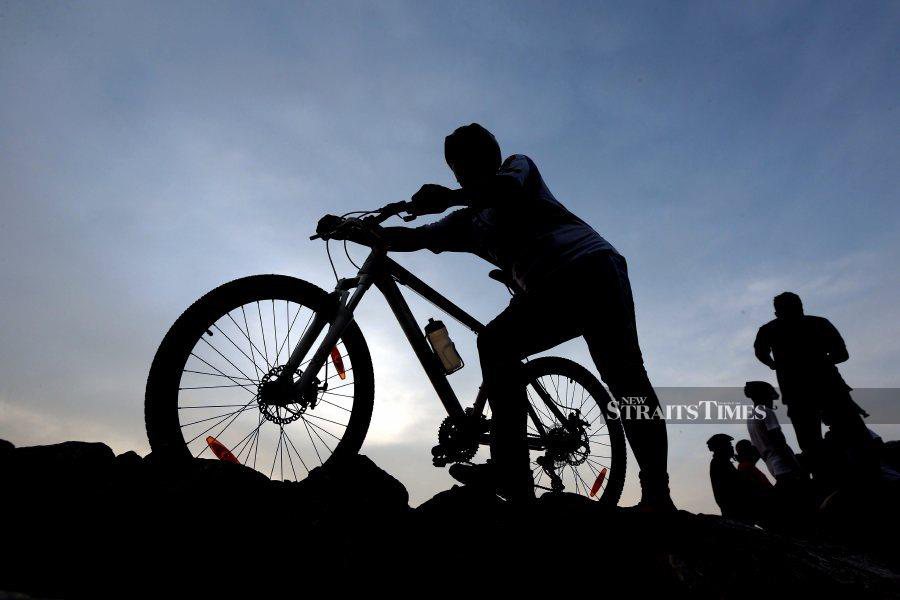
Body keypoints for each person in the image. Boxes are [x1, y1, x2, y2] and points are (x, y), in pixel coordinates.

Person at [319, 123, 673, 510]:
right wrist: (352, 231)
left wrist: (450, 197)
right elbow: (414, 238)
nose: (461, 172)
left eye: (466, 163)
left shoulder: (517, 169)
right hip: (547, 289)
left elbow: (501, 190)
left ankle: (653, 491)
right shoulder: (468, 223)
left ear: (490, 157)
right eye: (456, 167)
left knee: (622, 376)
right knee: (511, 348)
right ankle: (518, 475)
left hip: (590, 268)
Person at [753, 293, 868, 467]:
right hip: (827, 389)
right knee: (854, 437)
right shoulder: (818, 323)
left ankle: (834, 477)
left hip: (803, 393)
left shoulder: (770, 330)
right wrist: (822, 362)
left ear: (777, 312)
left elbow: (761, 353)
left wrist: (774, 364)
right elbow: (842, 354)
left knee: (814, 444)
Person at [744, 381, 812, 516]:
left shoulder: (751, 417)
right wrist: (795, 464)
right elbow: (778, 441)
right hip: (784, 465)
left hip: (773, 467)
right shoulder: (766, 411)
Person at [707, 434, 757, 522]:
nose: (731, 447)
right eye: (729, 445)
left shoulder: (721, 462)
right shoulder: (720, 463)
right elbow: (736, 484)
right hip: (736, 510)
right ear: (721, 448)